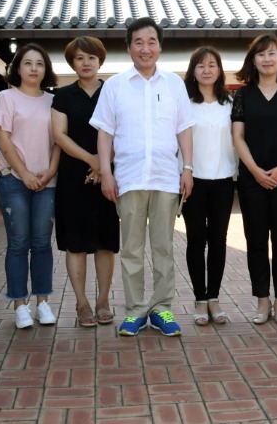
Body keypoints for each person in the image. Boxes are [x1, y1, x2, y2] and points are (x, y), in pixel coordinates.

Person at [90, 17, 194, 337]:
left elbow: (184, 129)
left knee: (163, 248)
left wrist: (188, 168)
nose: (145, 48)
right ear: (128, 47)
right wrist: (106, 173)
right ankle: (135, 309)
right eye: (139, 42)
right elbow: (105, 134)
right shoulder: (115, 85)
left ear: (160, 47)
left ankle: (162, 308)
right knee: (132, 249)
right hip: (129, 179)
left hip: (165, 178)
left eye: (151, 42)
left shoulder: (174, 83)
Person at [231, 34, 277, 325]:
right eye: (260, 54)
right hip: (252, 181)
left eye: (272, 53)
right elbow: (237, 136)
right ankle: (262, 301)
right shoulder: (243, 95)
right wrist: (255, 171)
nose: (267, 59)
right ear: (253, 60)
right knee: (256, 242)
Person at [0, 44, 61, 329]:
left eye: (39, 63)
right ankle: (20, 304)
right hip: (13, 180)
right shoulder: (6, 97)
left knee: (42, 244)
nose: (33, 68)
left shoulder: (54, 101)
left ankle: (43, 302)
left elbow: (59, 140)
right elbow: (2, 140)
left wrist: (50, 171)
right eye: (27, 63)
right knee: (18, 244)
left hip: (47, 181)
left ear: (46, 69)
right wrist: (25, 173)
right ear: (17, 68)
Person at [51, 37, 119, 328]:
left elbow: (123, 131)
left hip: (108, 177)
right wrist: (93, 161)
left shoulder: (113, 92)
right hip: (72, 177)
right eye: (79, 58)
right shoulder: (62, 95)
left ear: (100, 60)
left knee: (105, 242)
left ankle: (103, 301)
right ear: (72, 63)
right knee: (75, 245)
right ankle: (82, 304)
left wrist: (104, 165)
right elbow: (59, 135)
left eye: (91, 57)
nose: (86, 63)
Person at [182, 46, 237, 326]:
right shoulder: (184, 102)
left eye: (212, 65)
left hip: (224, 180)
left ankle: (214, 297)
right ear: (193, 71)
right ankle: (199, 299)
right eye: (201, 65)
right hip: (193, 180)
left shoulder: (230, 103)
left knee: (218, 241)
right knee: (195, 241)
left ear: (219, 70)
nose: (206, 70)